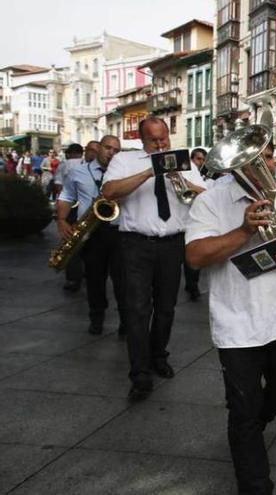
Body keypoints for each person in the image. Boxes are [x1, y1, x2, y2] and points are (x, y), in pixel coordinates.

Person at [185, 139, 276, 495]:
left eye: (268, 156)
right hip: (240, 322)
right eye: (256, 157)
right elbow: (194, 256)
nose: (265, 163)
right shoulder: (211, 201)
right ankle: (254, 482)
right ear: (235, 165)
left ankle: (250, 425)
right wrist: (244, 231)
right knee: (243, 407)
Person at [102, 116, 206, 401]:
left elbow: (205, 197)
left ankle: (158, 355)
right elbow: (108, 192)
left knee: (166, 307)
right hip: (135, 243)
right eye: (154, 141)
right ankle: (140, 373)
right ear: (142, 139)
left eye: (164, 139)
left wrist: (180, 179)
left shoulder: (183, 160)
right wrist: (149, 171)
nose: (161, 144)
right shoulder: (124, 161)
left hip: (173, 243)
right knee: (137, 309)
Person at [57, 135, 126, 337]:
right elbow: (67, 196)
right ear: (97, 149)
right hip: (92, 232)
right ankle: (96, 318)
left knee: (123, 282)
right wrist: (62, 220)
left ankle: (125, 321)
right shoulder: (78, 172)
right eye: (108, 148)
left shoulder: (123, 173)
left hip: (119, 231)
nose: (111, 152)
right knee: (95, 280)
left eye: (116, 150)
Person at [56, 142, 100, 292]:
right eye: (91, 151)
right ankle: (73, 278)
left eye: (96, 151)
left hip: (97, 213)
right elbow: (60, 187)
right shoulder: (71, 166)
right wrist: (62, 214)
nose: (93, 154)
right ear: (85, 152)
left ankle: (90, 273)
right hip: (75, 210)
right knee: (73, 243)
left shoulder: (106, 169)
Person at [182, 147, 209, 301]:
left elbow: (204, 193)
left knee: (191, 259)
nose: (201, 162)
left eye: (203, 159)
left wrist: (187, 184)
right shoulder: (187, 169)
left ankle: (192, 286)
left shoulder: (198, 174)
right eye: (198, 159)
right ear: (192, 159)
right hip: (178, 222)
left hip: (192, 220)